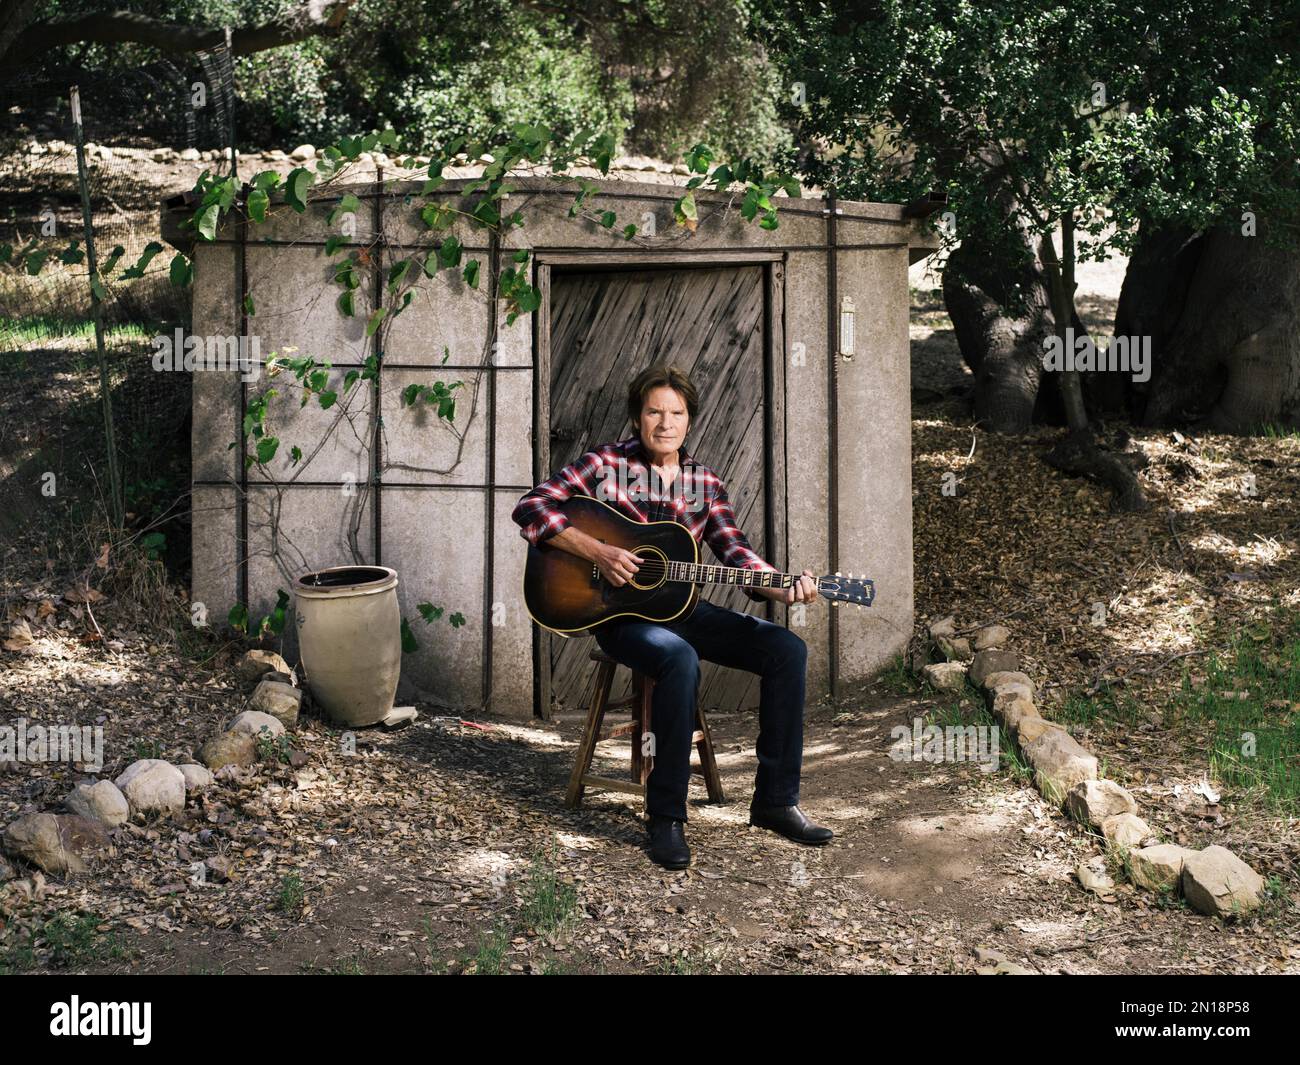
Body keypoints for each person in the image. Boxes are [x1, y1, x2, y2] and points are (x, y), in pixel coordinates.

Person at [512, 364, 833, 869]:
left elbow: (736, 554)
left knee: (786, 649)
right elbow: (532, 507)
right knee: (679, 658)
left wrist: (783, 587)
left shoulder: (703, 481)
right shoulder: (605, 463)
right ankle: (666, 817)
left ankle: (774, 801)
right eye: (654, 411)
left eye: (676, 413)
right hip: (619, 616)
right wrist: (597, 551)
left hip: (683, 609)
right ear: (637, 417)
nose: (665, 423)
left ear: (689, 420)